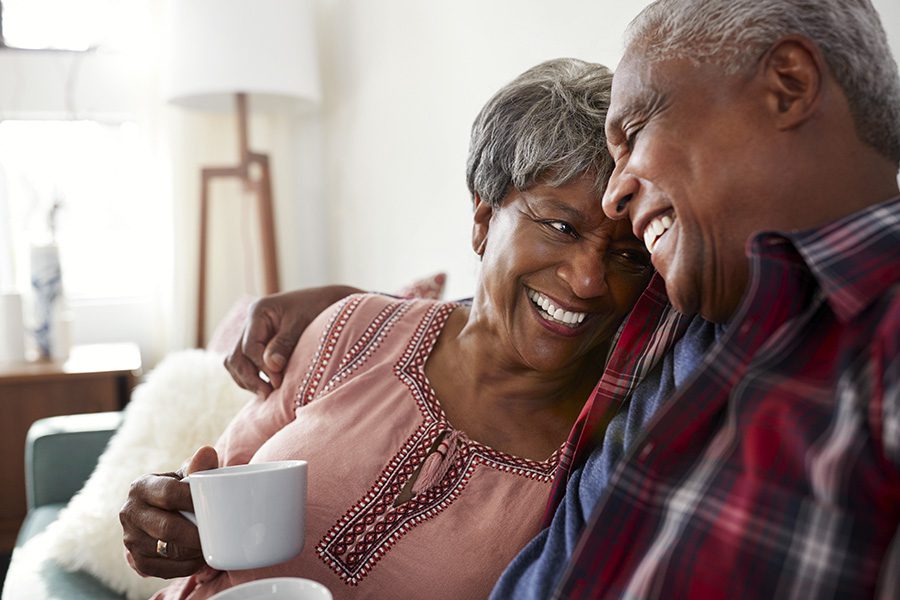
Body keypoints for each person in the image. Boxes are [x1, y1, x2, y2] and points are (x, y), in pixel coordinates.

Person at [229, 1, 900, 598]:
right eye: (562, 223)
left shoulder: (857, 340)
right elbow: (493, 319)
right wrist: (340, 311)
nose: (616, 196)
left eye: (635, 130)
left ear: (788, 84)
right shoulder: (689, 322)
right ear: (483, 215)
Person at [119, 58, 656, 600]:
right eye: (561, 227)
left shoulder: (602, 459)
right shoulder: (355, 328)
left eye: (628, 255)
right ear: (484, 217)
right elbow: (209, 496)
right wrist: (164, 523)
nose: (589, 280)